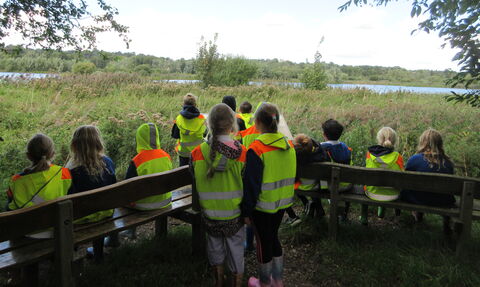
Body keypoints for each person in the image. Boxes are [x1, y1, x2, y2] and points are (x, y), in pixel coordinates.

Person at [191, 103, 246, 287]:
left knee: (214, 248)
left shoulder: (197, 152)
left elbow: (193, 177)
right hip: (235, 214)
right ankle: (236, 282)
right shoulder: (242, 152)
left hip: (210, 213)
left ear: (209, 125)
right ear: (232, 125)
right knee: (236, 249)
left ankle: (217, 281)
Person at [242, 103, 296, 287]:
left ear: (256, 122)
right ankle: (278, 280)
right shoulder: (289, 145)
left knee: (263, 243)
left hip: (262, 206)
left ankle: (264, 283)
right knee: (273, 237)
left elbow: (251, 185)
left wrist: (246, 211)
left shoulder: (256, 149)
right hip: (282, 202)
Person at [6, 134, 72, 237]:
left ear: (28, 155)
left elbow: (10, 209)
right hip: (58, 229)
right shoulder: (64, 173)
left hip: (28, 233)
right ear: (53, 153)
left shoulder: (16, 181)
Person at [66, 125, 117, 259]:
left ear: (75, 145)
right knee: (98, 205)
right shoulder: (108, 162)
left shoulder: (70, 170)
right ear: (98, 142)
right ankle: (98, 254)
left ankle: (71, 252)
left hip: (81, 217)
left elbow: (66, 197)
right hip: (106, 212)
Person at [400, 129, 455, 229]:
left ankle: (417, 215)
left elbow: (406, 179)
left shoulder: (414, 159)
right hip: (443, 201)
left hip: (417, 199)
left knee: (416, 189)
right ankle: (446, 225)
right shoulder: (448, 163)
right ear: (440, 144)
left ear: (423, 142)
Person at [362, 127, 403, 224]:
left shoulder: (369, 154)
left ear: (379, 140)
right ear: (394, 141)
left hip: (372, 193)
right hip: (392, 195)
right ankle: (392, 214)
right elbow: (401, 175)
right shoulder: (398, 157)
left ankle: (363, 217)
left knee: (364, 185)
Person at [286, 134, 328, 223]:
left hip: (300, 186)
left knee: (295, 184)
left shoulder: (294, 158)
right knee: (314, 181)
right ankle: (319, 208)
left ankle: (306, 203)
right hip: (316, 186)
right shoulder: (320, 156)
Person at [317, 119, 353, 220]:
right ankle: (343, 213)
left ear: (324, 134)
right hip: (347, 185)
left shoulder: (321, 147)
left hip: (331, 186)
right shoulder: (345, 147)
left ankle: (320, 209)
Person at [171, 93, 207, 166]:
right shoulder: (201, 118)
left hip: (184, 153)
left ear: (183, 104)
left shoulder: (179, 118)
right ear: (195, 104)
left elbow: (175, 135)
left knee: (184, 175)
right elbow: (205, 134)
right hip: (198, 152)